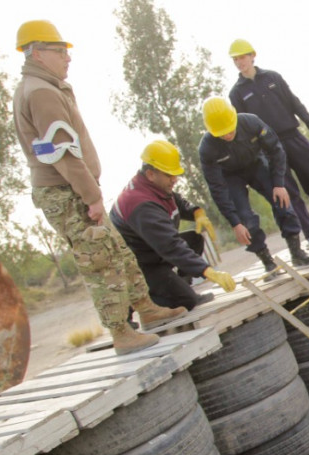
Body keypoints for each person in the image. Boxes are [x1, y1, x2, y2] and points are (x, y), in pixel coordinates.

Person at [12, 20, 186, 355]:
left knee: (118, 251)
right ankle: (121, 332)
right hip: (67, 192)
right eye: (60, 51)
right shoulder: (41, 92)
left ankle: (146, 310)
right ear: (37, 52)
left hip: (74, 189)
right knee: (100, 261)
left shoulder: (44, 87)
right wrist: (90, 197)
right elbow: (61, 153)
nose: (67, 58)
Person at [228, 40, 309, 248]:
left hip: (293, 137)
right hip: (269, 148)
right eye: (235, 59)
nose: (239, 62)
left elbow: (293, 102)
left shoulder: (273, 78)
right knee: (289, 193)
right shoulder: (237, 93)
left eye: (242, 57)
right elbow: (243, 127)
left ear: (253, 55)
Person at [111, 140, 236, 311]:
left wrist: (195, 212)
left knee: (194, 238)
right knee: (188, 302)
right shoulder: (140, 205)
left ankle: (179, 284)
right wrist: (207, 270)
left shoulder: (154, 187)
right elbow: (170, 246)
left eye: (175, 174)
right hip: (140, 266)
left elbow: (176, 200)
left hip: (152, 251)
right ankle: (151, 298)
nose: (175, 180)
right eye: (170, 175)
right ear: (150, 174)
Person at [198, 97, 309, 272]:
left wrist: (279, 183)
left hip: (257, 165)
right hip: (230, 177)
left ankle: (297, 253)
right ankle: (268, 262)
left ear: (234, 118)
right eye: (221, 133)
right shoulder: (207, 148)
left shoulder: (251, 122)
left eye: (229, 130)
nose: (227, 135)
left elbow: (276, 150)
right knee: (245, 220)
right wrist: (234, 222)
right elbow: (217, 188)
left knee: (282, 202)